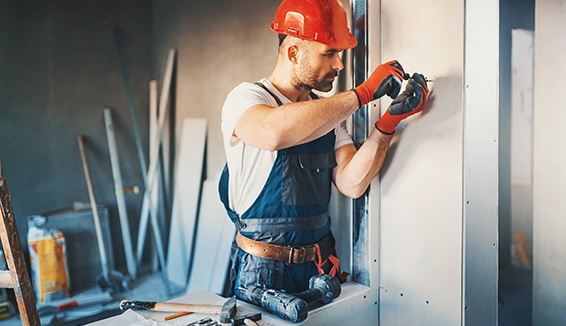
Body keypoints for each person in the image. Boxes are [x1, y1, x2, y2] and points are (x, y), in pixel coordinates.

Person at [218, 0, 429, 303]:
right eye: (329, 53)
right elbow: (273, 132)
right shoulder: (247, 97)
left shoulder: (326, 117)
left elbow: (352, 183)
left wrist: (388, 123)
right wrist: (363, 94)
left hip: (318, 268)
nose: (339, 65)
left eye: (339, 54)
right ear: (294, 53)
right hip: (262, 272)